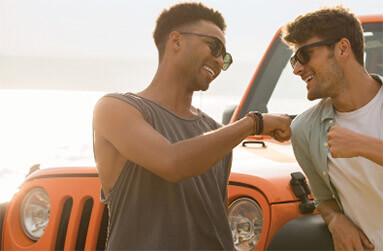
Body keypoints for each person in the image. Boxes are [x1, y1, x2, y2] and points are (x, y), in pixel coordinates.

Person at [92, 2, 291, 250]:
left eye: (224, 57)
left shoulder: (215, 131)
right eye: (214, 47)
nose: (219, 61)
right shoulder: (116, 108)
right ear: (176, 41)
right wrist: (253, 123)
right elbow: (172, 163)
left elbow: (212, 220)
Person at [282, 6, 383, 251]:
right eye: (293, 60)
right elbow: (324, 199)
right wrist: (334, 219)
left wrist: (364, 145)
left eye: (305, 55)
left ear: (342, 48)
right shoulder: (305, 129)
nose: (296, 69)